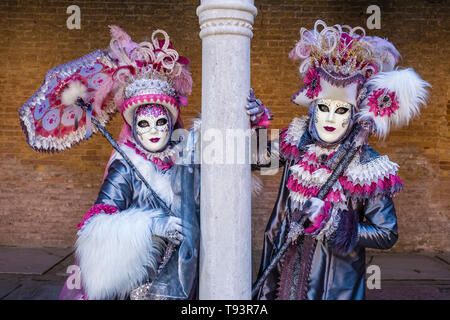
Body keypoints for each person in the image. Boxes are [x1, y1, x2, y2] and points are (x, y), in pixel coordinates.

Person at [247, 20, 429, 300]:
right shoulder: (298, 142)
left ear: (355, 114)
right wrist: (257, 121)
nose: (331, 118)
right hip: (282, 273)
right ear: (313, 109)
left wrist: (333, 222)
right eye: (324, 107)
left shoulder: (368, 164)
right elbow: (258, 160)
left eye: (341, 109)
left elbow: (386, 233)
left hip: (332, 287)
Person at [58, 26, 200, 300]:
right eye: (144, 124)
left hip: (185, 274)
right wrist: (150, 226)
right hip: (140, 282)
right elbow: (98, 224)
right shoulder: (126, 165)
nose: (154, 131)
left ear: (171, 123)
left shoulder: (187, 157)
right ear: (133, 126)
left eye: (161, 122)